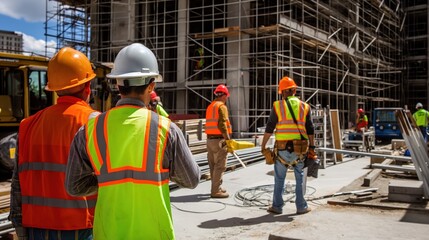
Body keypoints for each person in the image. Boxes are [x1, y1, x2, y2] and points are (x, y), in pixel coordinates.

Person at [64, 43, 201, 240]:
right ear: (151, 85)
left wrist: (106, 180)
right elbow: (191, 179)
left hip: (108, 234)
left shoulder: (90, 129)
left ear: (118, 85)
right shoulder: (166, 129)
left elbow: (74, 186)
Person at [9, 47, 99, 240]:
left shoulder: (27, 125)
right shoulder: (96, 123)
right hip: (82, 228)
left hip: (36, 228)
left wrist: (19, 226)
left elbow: (17, 183)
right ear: (87, 87)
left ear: (55, 89)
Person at [260, 76, 315, 215]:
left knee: (279, 179)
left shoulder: (277, 106)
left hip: (282, 149)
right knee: (300, 178)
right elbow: (310, 129)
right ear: (295, 90)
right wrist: (312, 148)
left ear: (282, 92)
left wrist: (263, 145)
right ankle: (301, 207)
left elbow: (269, 127)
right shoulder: (305, 106)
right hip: (300, 149)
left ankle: (277, 207)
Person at [205, 84, 236, 198]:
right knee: (220, 166)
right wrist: (228, 140)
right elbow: (222, 124)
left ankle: (216, 187)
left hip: (209, 140)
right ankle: (215, 191)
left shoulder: (210, 106)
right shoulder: (221, 106)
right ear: (223, 95)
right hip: (219, 140)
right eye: (226, 96)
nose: (226, 98)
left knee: (213, 165)